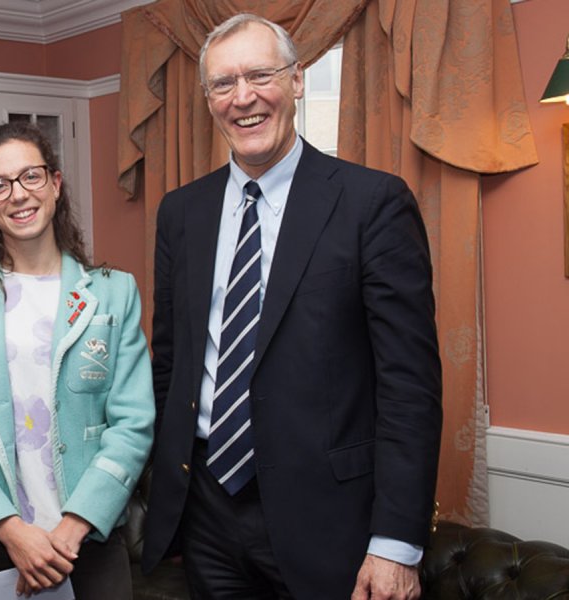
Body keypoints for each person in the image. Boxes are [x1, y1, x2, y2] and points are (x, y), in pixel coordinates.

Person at [141, 13, 442, 600]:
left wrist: (396, 545)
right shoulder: (181, 213)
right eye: (223, 84)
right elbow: (172, 365)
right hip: (205, 513)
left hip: (330, 524)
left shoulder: (371, 204)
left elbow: (409, 388)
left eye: (260, 75)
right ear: (208, 100)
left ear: (298, 80)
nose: (243, 97)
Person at [0, 122, 154, 599]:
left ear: (55, 183)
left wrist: (69, 531)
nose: (19, 195)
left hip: (91, 538)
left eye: (31, 177)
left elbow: (133, 424)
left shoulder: (112, 292)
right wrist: (13, 532)